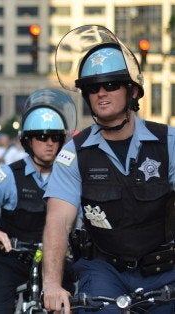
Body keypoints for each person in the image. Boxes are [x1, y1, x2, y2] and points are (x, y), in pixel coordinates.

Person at [42, 25, 175, 313]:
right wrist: (51, 284)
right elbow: (58, 221)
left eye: (112, 85)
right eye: (92, 87)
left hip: (164, 270)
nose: (101, 93)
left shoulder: (169, 143)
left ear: (133, 90)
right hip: (104, 271)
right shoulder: (72, 153)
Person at [0, 88, 77, 313]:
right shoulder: (8, 175)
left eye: (56, 137)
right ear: (28, 140)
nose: (50, 143)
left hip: (54, 261)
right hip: (11, 259)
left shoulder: (71, 176)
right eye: (42, 137)